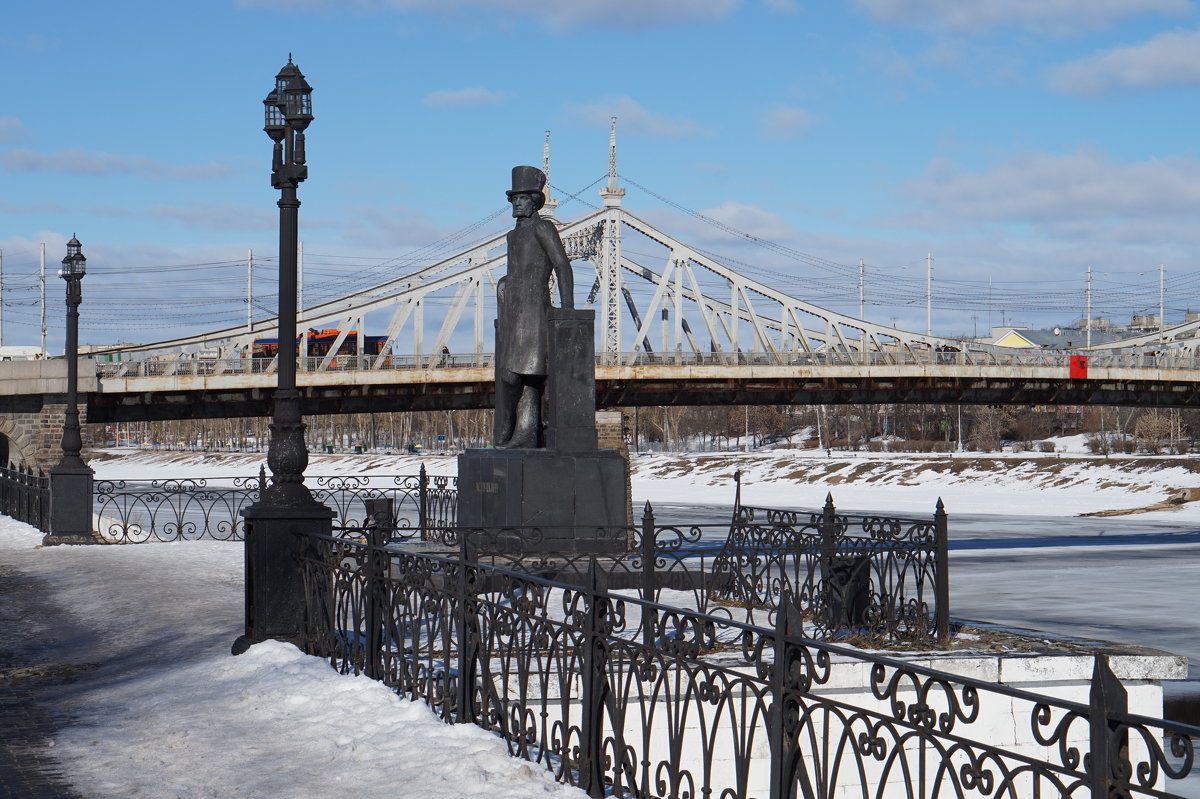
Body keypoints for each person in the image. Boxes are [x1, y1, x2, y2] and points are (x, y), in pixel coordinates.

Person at [494, 165, 574, 448]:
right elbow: (515, 270)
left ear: (535, 201)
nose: (516, 202)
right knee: (513, 374)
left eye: (522, 198)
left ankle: (522, 430)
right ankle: (519, 428)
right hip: (514, 309)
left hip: (534, 309)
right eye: (513, 198)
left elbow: (562, 265)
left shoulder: (543, 227)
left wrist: (568, 311)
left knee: (520, 373)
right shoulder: (513, 235)